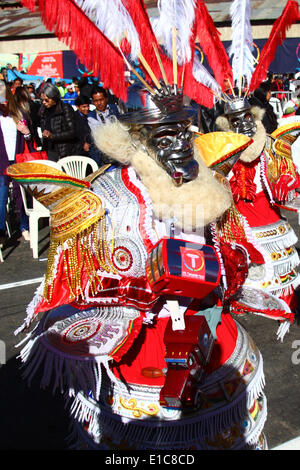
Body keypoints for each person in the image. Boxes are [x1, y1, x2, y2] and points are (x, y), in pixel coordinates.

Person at [8, 83, 267, 451]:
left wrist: (220, 269)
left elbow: (235, 248)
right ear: (136, 141)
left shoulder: (209, 180)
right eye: (166, 135)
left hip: (209, 331)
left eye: (185, 130)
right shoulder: (108, 196)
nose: (181, 144)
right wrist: (144, 286)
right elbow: (83, 283)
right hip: (142, 341)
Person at [215, 95, 300, 337]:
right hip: (236, 220)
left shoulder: (273, 147)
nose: (242, 124)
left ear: (256, 117)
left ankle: (281, 299)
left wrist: (286, 180)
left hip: (268, 216)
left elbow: (288, 177)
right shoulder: (220, 151)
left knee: (279, 265)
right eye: (235, 120)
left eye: (247, 117)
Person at [0, 80, 36, 244]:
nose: (3, 104)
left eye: (5, 100)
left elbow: (30, 140)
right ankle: (1, 232)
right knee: (2, 196)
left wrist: (26, 132)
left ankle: (23, 226)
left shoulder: (19, 114)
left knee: (21, 194)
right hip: (2, 161)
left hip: (19, 159)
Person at [38, 82, 78, 161]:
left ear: (54, 99)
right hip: (48, 149)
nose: (44, 103)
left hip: (64, 150)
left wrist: (53, 136)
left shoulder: (65, 109)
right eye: (42, 100)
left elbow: (72, 132)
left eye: (46, 100)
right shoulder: (43, 110)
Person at [88, 86, 120, 165]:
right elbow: (100, 135)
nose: (99, 103)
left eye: (101, 100)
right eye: (96, 101)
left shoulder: (116, 108)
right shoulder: (91, 116)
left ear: (106, 99)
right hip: (103, 156)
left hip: (119, 151)